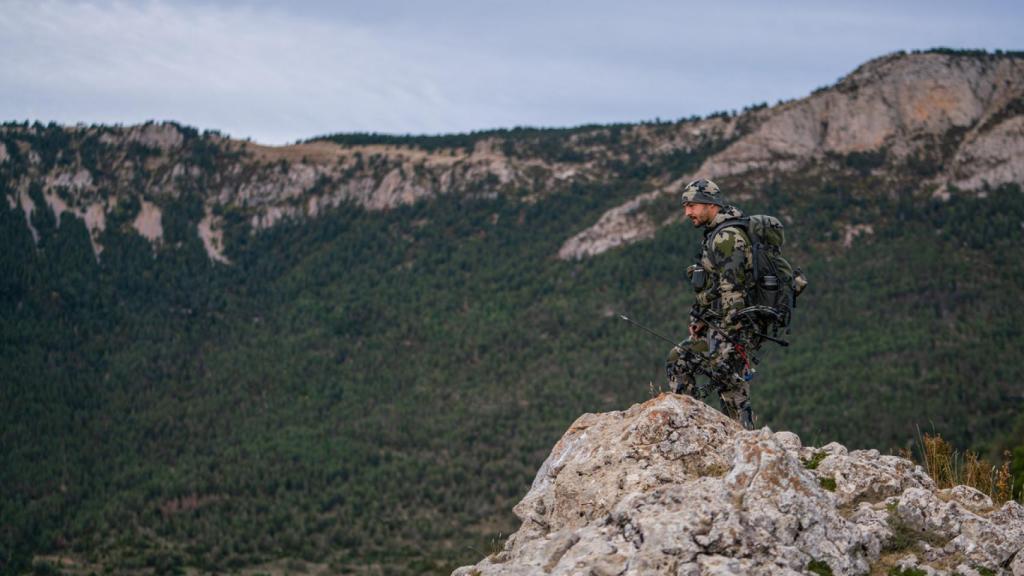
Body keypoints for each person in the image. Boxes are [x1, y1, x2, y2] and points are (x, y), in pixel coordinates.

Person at [666, 178, 762, 430]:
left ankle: (743, 440)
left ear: (711, 205)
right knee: (681, 357)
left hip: (732, 327)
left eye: (692, 206)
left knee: (730, 387)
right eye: (685, 206)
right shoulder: (715, 234)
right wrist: (699, 318)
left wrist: (732, 338)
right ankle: (687, 426)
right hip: (716, 323)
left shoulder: (727, 238)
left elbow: (733, 290)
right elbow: (712, 286)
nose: (687, 213)